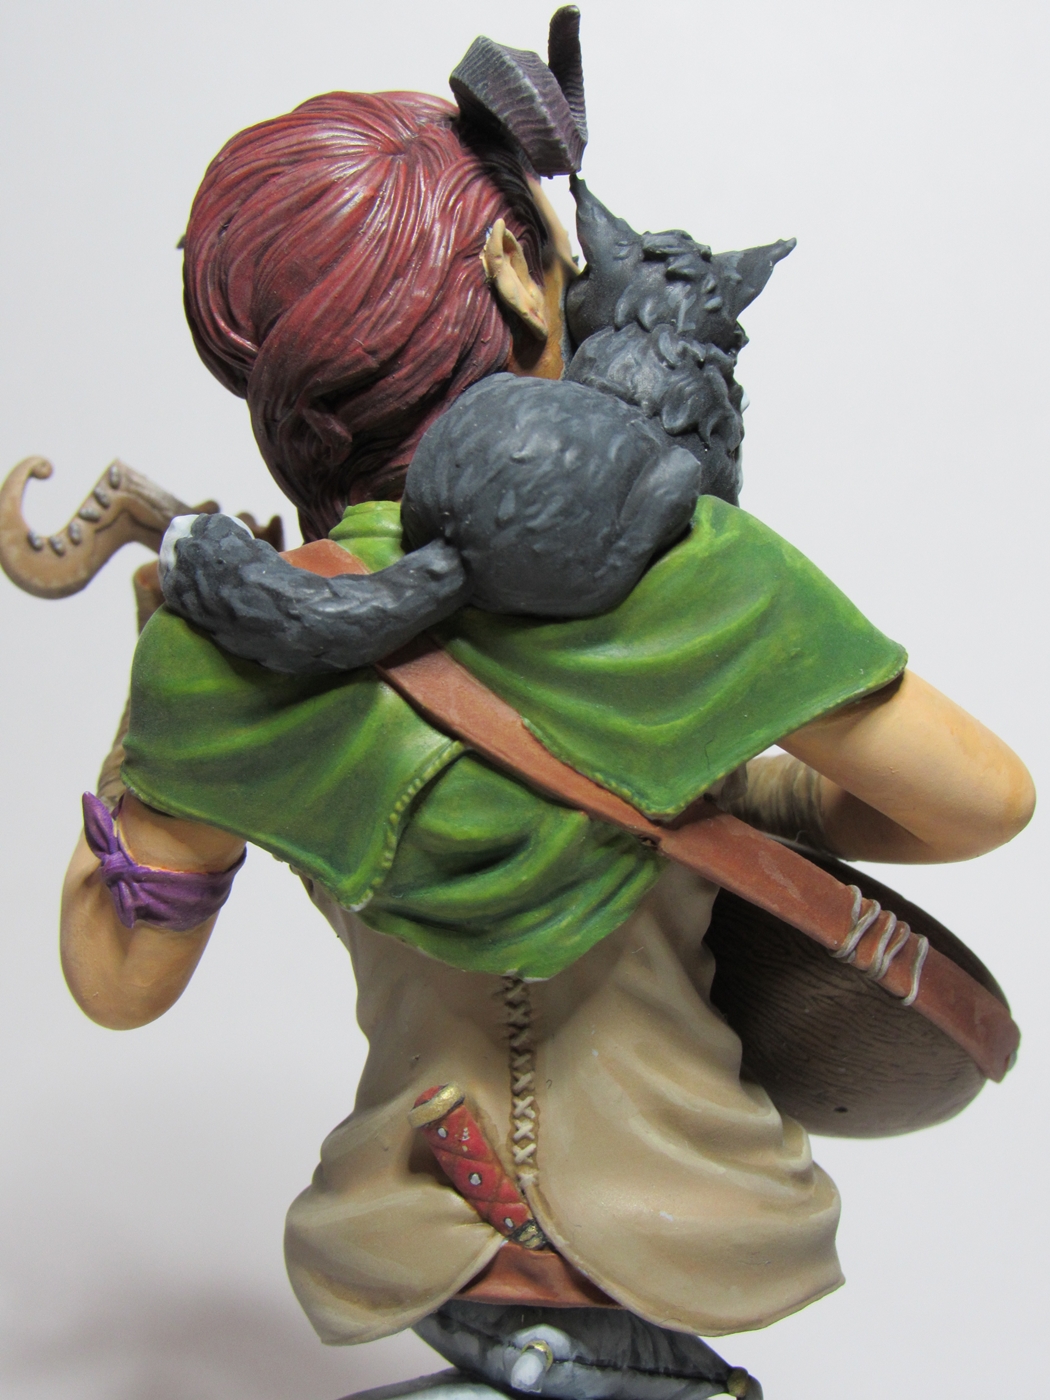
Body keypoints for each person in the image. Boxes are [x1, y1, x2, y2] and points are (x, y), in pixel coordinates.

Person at [57, 49, 1034, 1400]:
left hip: (416, 1220)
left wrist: (157, 699)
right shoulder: (692, 568)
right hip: (684, 1213)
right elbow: (984, 803)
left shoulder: (233, 648)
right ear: (515, 274)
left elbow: (116, 982)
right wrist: (738, 782)